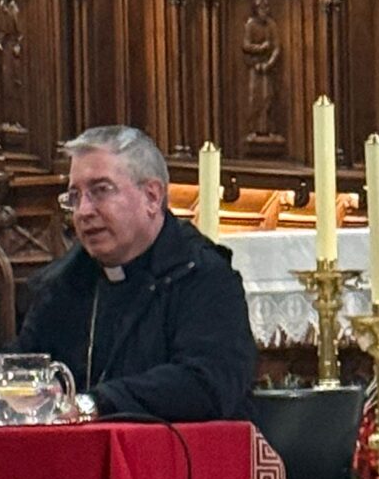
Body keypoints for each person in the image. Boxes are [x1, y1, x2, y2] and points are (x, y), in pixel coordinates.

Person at [17, 126, 256, 422]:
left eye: (100, 191)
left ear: (152, 197)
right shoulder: (62, 285)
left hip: (182, 459)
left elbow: (205, 383)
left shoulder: (203, 276)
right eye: (75, 196)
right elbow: (21, 369)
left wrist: (96, 404)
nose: (83, 211)